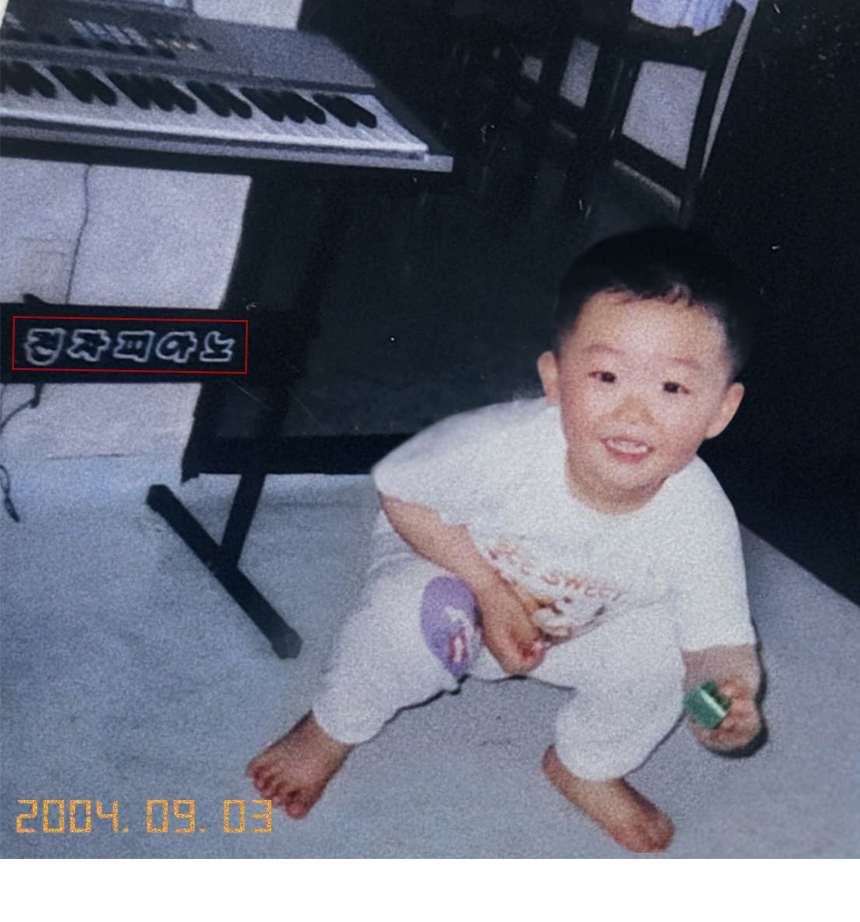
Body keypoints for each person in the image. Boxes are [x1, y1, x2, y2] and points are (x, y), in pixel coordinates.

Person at [247, 227, 764, 853]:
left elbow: (716, 642)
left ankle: (587, 766)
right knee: (407, 617)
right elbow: (400, 491)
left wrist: (725, 698)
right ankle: (332, 726)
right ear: (555, 380)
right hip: (458, 577)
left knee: (666, 652)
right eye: (605, 376)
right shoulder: (503, 446)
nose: (634, 413)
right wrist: (491, 593)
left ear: (720, 410)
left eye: (673, 388)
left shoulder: (701, 517)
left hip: (579, 624)